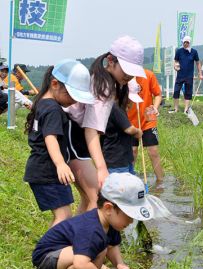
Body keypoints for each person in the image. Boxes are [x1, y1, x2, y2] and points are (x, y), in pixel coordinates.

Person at [64, 35, 146, 213]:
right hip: (72, 135)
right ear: (110, 60)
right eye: (126, 69)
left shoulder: (107, 82)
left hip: (76, 136)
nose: (129, 75)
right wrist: (101, 168)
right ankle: (89, 239)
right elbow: (91, 129)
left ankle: (77, 237)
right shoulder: (103, 85)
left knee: (89, 197)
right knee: (97, 195)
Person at [31, 173, 153, 269]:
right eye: (128, 216)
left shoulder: (110, 223)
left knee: (100, 249)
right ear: (108, 208)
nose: (131, 221)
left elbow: (112, 246)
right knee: (80, 265)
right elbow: (80, 263)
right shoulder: (91, 229)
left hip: (65, 253)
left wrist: (120, 264)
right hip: (47, 257)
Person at [23, 59, 95, 227]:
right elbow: (50, 137)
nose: (74, 101)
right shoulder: (54, 109)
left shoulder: (42, 104)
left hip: (41, 169)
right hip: (48, 172)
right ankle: (48, 251)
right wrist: (61, 164)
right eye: (71, 95)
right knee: (63, 216)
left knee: (63, 216)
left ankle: (53, 249)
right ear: (54, 84)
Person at [127, 69, 165, 183]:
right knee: (132, 151)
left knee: (153, 151)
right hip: (129, 121)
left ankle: (160, 182)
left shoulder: (148, 75)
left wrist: (155, 107)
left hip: (148, 119)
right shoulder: (124, 75)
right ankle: (130, 181)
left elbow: (158, 94)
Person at [101, 78, 143, 175]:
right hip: (116, 162)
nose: (131, 103)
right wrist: (138, 132)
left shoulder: (116, 108)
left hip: (123, 159)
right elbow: (129, 129)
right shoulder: (115, 108)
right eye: (130, 99)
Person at [170, 35, 203, 113]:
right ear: (183, 42)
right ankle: (176, 109)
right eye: (184, 42)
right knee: (176, 91)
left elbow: (198, 63)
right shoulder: (179, 51)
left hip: (189, 76)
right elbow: (175, 61)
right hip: (180, 75)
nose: (185, 44)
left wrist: (200, 73)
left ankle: (186, 110)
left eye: (187, 42)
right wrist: (175, 66)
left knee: (188, 93)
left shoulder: (194, 52)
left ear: (189, 43)